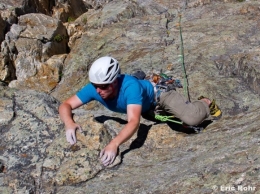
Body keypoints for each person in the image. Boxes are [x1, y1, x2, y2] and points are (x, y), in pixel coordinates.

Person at [58, 56, 221, 166]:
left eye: (103, 86)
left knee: (190, 119)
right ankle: (141, 79)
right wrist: (69, 123)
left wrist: (114, 144)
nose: (98, 91)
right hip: (143, 103)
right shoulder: (95, 88)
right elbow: (66, 105)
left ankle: (204, 103)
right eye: (96, 86)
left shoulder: (130, 88)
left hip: (159, 96)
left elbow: (134, 121)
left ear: (114, 81)